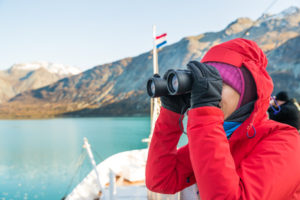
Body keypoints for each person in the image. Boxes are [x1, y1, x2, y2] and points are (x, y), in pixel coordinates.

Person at [146, 38, 300, 199]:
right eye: (207, 86)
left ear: (246, 93)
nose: (212, 93)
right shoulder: (220, 138)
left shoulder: (286, 142)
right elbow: (160, 180)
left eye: (219, 84)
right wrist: (171, 113)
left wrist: (205, 113)